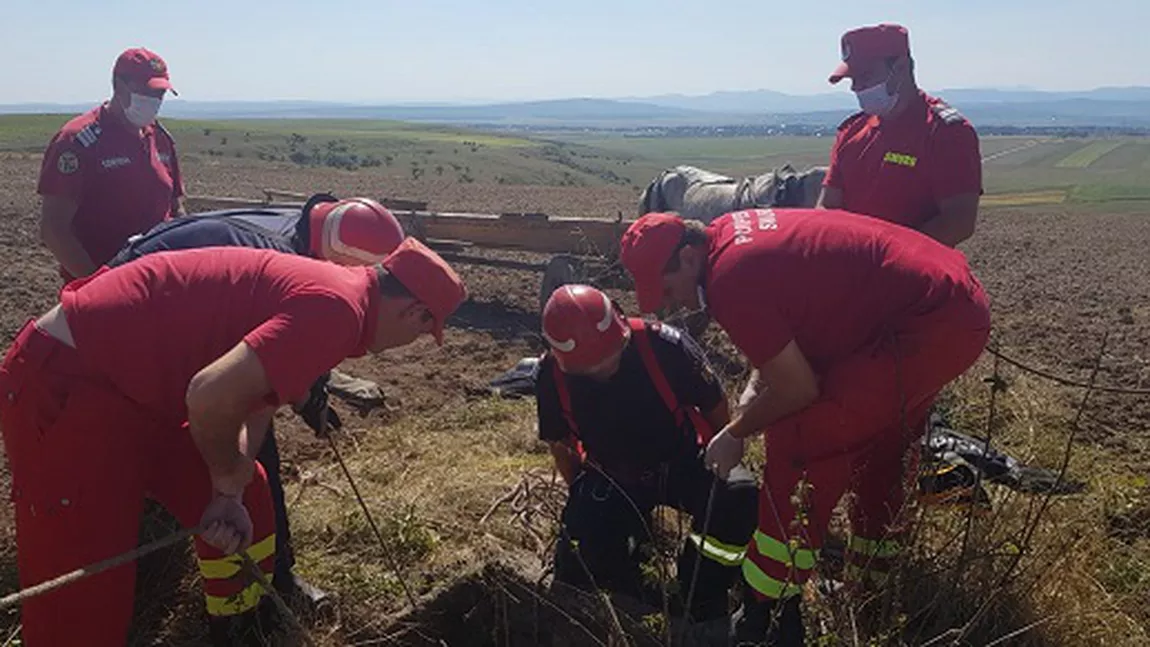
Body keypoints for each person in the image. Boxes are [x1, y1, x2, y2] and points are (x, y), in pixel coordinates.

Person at [0, 239, 466, 646]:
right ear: (415, 312)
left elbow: (253, 403)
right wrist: (225, 473)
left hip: (135, 393)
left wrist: (228, 492)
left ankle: (238, 627)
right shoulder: (337, 310)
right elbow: (208, 396)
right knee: (86, 599)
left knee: (253, 496)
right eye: (425, 331)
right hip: (66, 384)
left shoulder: (339, 298)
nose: (415, 341)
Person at [619, 209, 990, 645]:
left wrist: (735, 434)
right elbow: (785, 331)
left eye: (667, 288)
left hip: (926, 323)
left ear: (686, 256)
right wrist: (751, 396)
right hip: (949, 303)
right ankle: (871, 594)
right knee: (884, 447)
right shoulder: (729, 236)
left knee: (799, 446)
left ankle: (767, 618)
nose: (671, 302)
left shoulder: (728, 281)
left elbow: (798, 390)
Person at [105, 193, 406, 609]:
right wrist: (291, 396)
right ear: (342, 262)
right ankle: (272, 585)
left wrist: (309, 390)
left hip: (157, 309)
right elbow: (251, 383)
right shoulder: (276, 255)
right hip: (139, 329)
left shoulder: (306, 227)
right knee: (251, 457)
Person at [536, 284, 757, 622]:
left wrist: (726, 453)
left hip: (681, 461)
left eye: (612, 357)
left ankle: (701, 595)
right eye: (591, 369)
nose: (604, 370)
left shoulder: (664, 346)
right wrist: (585, 502)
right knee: (577, 566)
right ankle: (635, 589)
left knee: (737, 494)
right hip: (612, 475)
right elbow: (560, 445)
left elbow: (715, 408)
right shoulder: (550, 376)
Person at [818, 24, 982, 248]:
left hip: (913, 275)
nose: (856, 88)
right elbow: (828, 207)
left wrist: (887, 257)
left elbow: (958, 222)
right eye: (852, 79)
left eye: (865, 76)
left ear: (902, 68)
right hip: (853, 270)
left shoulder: (946, 132)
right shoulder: (851, 132)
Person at [37, 46, 184, 280]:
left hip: (156, 286)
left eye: (159, 95)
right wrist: (98, 283)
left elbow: (175, 210)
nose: (154, 101)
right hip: (97, 289)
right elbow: (54, 229)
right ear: (119, 85)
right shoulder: (77, 141)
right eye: (146, 92)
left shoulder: (161, 139)